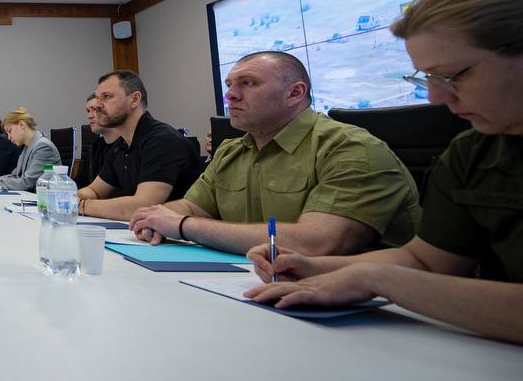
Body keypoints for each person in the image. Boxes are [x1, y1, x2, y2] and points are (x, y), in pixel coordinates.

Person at [245, 0, 523, 344]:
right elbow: (427, 261)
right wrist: (315, 267)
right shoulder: (473, 153)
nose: (435, 98)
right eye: (427, 79)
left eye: (453, 76)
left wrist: (376, 278)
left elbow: (402, 274)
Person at [129, 51, 421, 256]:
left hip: (376, 308)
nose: (230, 95)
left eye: (249, 83)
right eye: (229, 85)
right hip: (262, 283)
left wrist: (181, 226)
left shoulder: (349, 148)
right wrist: (157, 220)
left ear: (295, 93)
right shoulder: (232, 150)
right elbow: (191, 207)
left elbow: (317, 243)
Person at [76, 71, 202, 220]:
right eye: (97, 98)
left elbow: (143, 207)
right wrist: (77, 198)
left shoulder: (162, 141)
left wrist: (83, 205)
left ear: (135, 99)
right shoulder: (121, 145)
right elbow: (94, 190)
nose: (97, 105)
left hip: (178, 232)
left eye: (107, 96)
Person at [72, 93, 111, 188]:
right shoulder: (96, 146)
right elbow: (81, 180)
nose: (89, 116)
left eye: (95, 109)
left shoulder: (123, 148)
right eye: (88, 111)